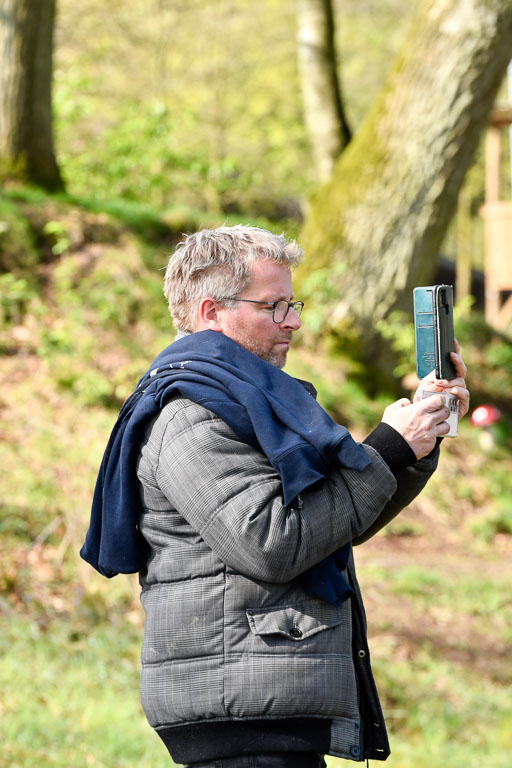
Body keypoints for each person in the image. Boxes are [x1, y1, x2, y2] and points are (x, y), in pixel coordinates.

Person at [81, 225, 469, 768]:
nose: (294, 321)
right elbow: (273, 543)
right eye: (274, 306)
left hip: (264, 714)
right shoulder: (188, 416)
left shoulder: (244, 403)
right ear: (212, 312)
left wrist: (413, 444)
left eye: (292, 304)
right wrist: (387, 447)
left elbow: (330, 523)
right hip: (240, 722)